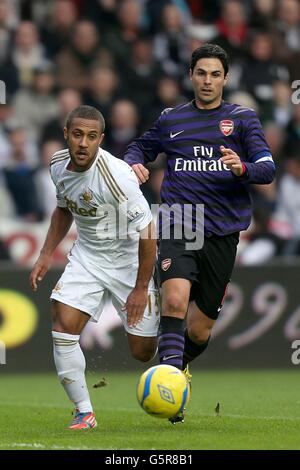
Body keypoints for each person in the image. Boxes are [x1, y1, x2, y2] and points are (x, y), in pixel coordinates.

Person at [124, 44, 275, 422]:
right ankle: (171, 394)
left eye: (215, 74)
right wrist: (134, 164)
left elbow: (267, 167)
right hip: (179, 223)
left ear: (225, 79)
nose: (207, 81)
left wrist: (243, 168)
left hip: (224, 231)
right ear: (191, 75)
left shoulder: (242, 120)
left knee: (201, 328)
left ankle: (176, 372)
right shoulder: (171, 119)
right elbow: (140, 147)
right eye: (201, 73)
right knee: (175, 301)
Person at [30, 105, 159, 430]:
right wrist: (47, 253)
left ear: (101, 139)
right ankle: (84, 412)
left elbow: (149, 232)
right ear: (66, 135)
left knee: (143, 351)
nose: (83, 143)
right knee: (62, 324)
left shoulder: (117, 177)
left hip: (128, 260)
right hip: (87, 256)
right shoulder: (57, 165)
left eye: (91, 137)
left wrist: (141, 288)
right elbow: (64, 208)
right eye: (77, 135)